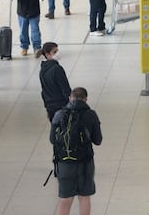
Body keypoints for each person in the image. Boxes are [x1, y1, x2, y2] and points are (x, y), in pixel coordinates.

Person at [49, 87, 102, 215]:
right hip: (85, 163)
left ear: (70, 98)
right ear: (85, 99)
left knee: (65, 199)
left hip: (64, 163)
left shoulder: (59, 114)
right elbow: (98, 140)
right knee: (84, 197)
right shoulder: (91, 115)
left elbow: (52, 139)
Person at [39, 42, 71, 122]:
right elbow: (65, 88)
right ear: (47, 54)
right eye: (54, 52)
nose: (58, 53)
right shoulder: (57, 69)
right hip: (61, 104)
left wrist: (47, 107)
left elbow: (44, 90)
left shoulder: (42, 69)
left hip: (50, 106)